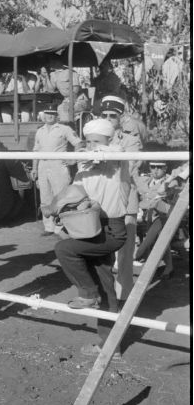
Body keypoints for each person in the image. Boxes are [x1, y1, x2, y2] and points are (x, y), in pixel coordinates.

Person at [53, 118, 129, 356]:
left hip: (110, 229)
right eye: (88, 140)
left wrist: (94, 151)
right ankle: (110, 346)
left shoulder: (117, 162)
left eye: (97, 141)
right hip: (87, 226)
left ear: (109, 140)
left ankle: (87, 293)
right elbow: (74, 196)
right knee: (107, 285)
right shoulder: (84, 167)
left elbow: (117, 152)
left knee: (65, 250)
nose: (91, 145)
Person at [100, 95, 142, 303]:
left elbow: (128, 167)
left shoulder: (131, 140)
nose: (108, 119)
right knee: (102, 251)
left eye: (112, 116)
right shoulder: (95, 138)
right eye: (104, 115)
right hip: (102, 202)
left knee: (124, 255)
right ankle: (107, 297)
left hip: (125, 201)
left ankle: (125, 297)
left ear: (120, 118)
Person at [30, 106, 82, 236]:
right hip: (43, 165)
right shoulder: (40, 131)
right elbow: (36, 151)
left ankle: (61, 227)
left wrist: (72, 160)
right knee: (45, 197)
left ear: (57, 116)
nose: (49, 116)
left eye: (52, 114)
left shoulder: (64, 129)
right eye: (47, 113)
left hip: (58, 165)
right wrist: (34, 168)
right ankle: (49, 227)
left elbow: (78, 143)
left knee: (60, 197)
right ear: (44, 115)